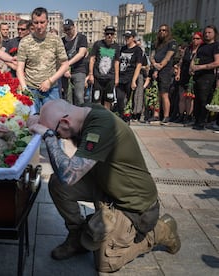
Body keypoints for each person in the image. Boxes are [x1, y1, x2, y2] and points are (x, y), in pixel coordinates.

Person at [27, 99, 181, 272]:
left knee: (105, 264)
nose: (59, 137)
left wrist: (48, 136)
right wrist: (37, 118)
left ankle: (161, 230)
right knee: (57, 185)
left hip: (134, 207)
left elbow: (69, 175)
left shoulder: (101, 126)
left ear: (65, 122)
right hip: (105, 186)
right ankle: (77, 237)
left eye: (57, 134)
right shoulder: (86, 112)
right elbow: (64, 180)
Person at [16, 7, 69, 113]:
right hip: (31, 90)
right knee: (32, 123)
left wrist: (50, 81)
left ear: (47, 22)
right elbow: (20, 68)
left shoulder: (55, 40)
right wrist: (24, 87)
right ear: (32, 23)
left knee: (52, 122)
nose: (39, 26)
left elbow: (65, 64)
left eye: (42, 22)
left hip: (51, 90)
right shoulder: (25, 42)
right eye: (36, 22)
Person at [190, 25, 219, 130]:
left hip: (207, 76)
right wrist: (192, 67)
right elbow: (195, 57)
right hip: (197, 76)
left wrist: (201, 67)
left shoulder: (215, 46)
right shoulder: (201, 46)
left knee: (204, 99)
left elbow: (217, 62)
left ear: (214, 34)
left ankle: (202, 122)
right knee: (197, 99)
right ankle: (197, 120)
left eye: (209, 32)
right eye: (205, 32)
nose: (207, 34)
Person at [86, 25, 120, 110]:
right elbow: (92, 59)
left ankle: (106, 117)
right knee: (96, 98)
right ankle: (97, 117)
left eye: (111, 34)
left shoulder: (116, 46)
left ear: (114, 35)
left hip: (110, 78)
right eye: (107, 33)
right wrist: (91, 74)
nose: (109, 36)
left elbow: (116, 62)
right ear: (104, 34)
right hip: (98, 77)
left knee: (108, 99)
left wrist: (116, 77)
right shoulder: (98, 44)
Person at [150, 24, 177, 125]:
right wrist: (154, 64)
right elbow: (151, 56)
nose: (162, 32)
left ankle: (166, 116)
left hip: (165, 71)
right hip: (156, 69)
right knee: (156, 94)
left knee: (164, 94)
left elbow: (167, 57)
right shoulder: (156, 43)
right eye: (160, 30)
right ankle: (156, 115)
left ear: (168, 32)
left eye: (164, 30)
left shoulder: (172, 42)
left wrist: (159, 67)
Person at [175, 33, 204, 124]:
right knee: (182, 97)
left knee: (190, 98)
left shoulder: (201, 50)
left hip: (194, 76)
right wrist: (178, 74)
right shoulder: (188, 49)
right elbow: (181, 62)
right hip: (184, 74)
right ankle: (181, 115)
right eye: (193, 38)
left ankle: (188, 115)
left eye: (197, 38)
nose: (195, 40)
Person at [116, 30, 143, 121]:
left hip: (130, 77)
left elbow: (139, 65)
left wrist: (134, 80)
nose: (126, 39)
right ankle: (121, 114)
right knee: (119, 97)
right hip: (121, 77)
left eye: (128, 37)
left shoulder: (137, 50)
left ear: (133, 38)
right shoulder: (122, 48)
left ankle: (127, 116)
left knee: (129, 98)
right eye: (125, 37)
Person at [61, 19, 88, 106]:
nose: (67, 32)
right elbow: (60, 56)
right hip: (65, 72)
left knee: (79, 96)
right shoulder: (62, 40)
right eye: (65, 30)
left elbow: (81, 54)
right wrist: (64, 69)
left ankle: (81, 114)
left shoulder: (81, 38)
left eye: (69, 29)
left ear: (74, 27)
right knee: (67, 96)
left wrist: (67, 64)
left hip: (79, 70)